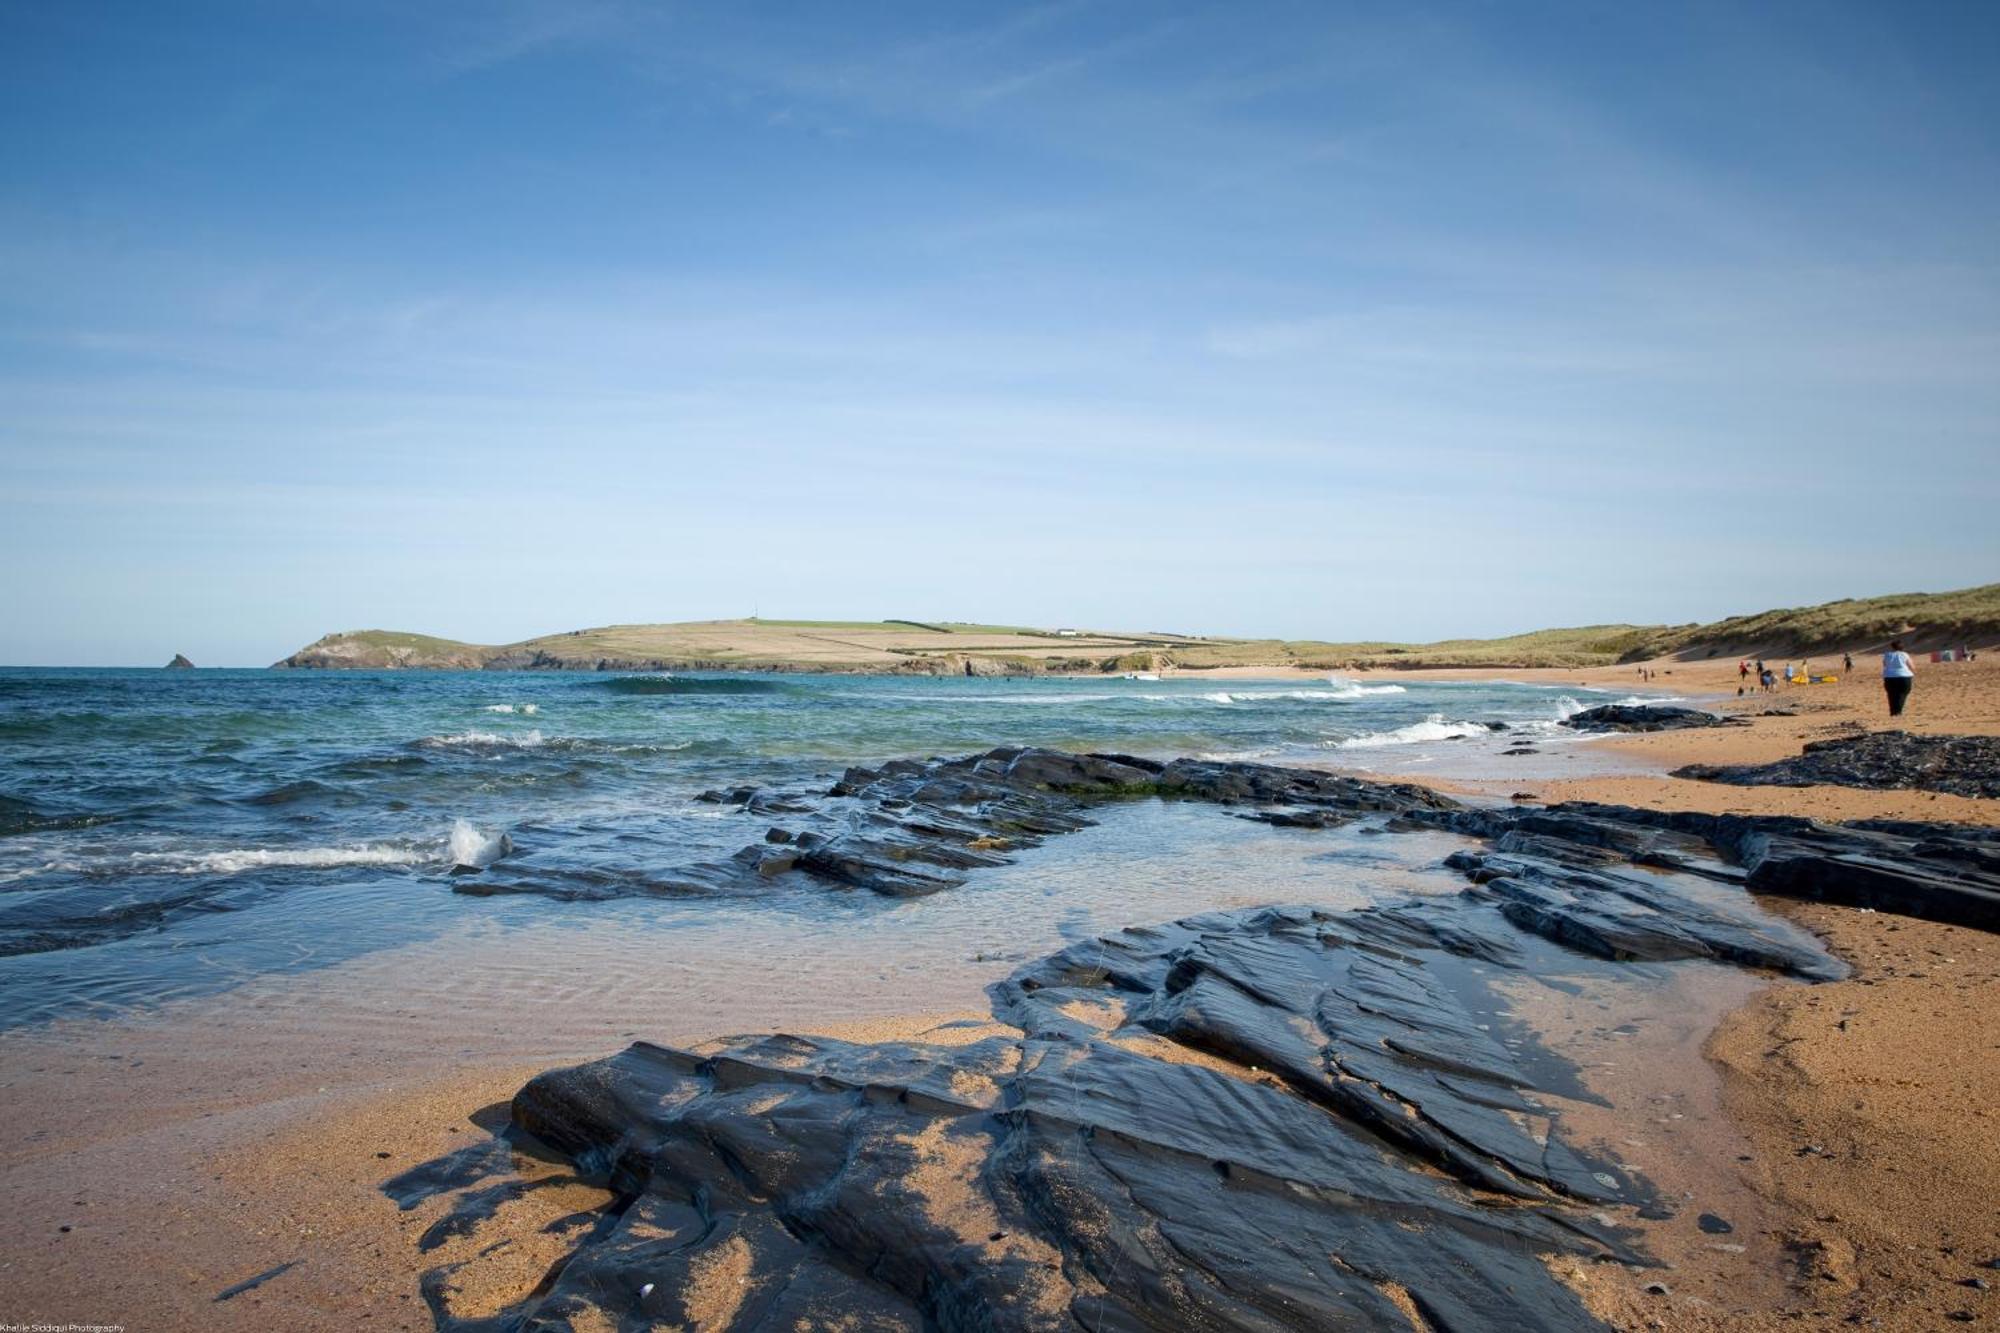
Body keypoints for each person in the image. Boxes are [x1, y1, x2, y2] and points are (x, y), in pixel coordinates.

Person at [1882, 639, 1915, 718]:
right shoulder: (1904, 654)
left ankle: (1893, 712)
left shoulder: (1887, 654)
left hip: (1889, 677)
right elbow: (1911, 666)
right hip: (1904, 676)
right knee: (1903, 693)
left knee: (1891, 695)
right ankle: (1898, 712)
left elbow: (1885, 664)